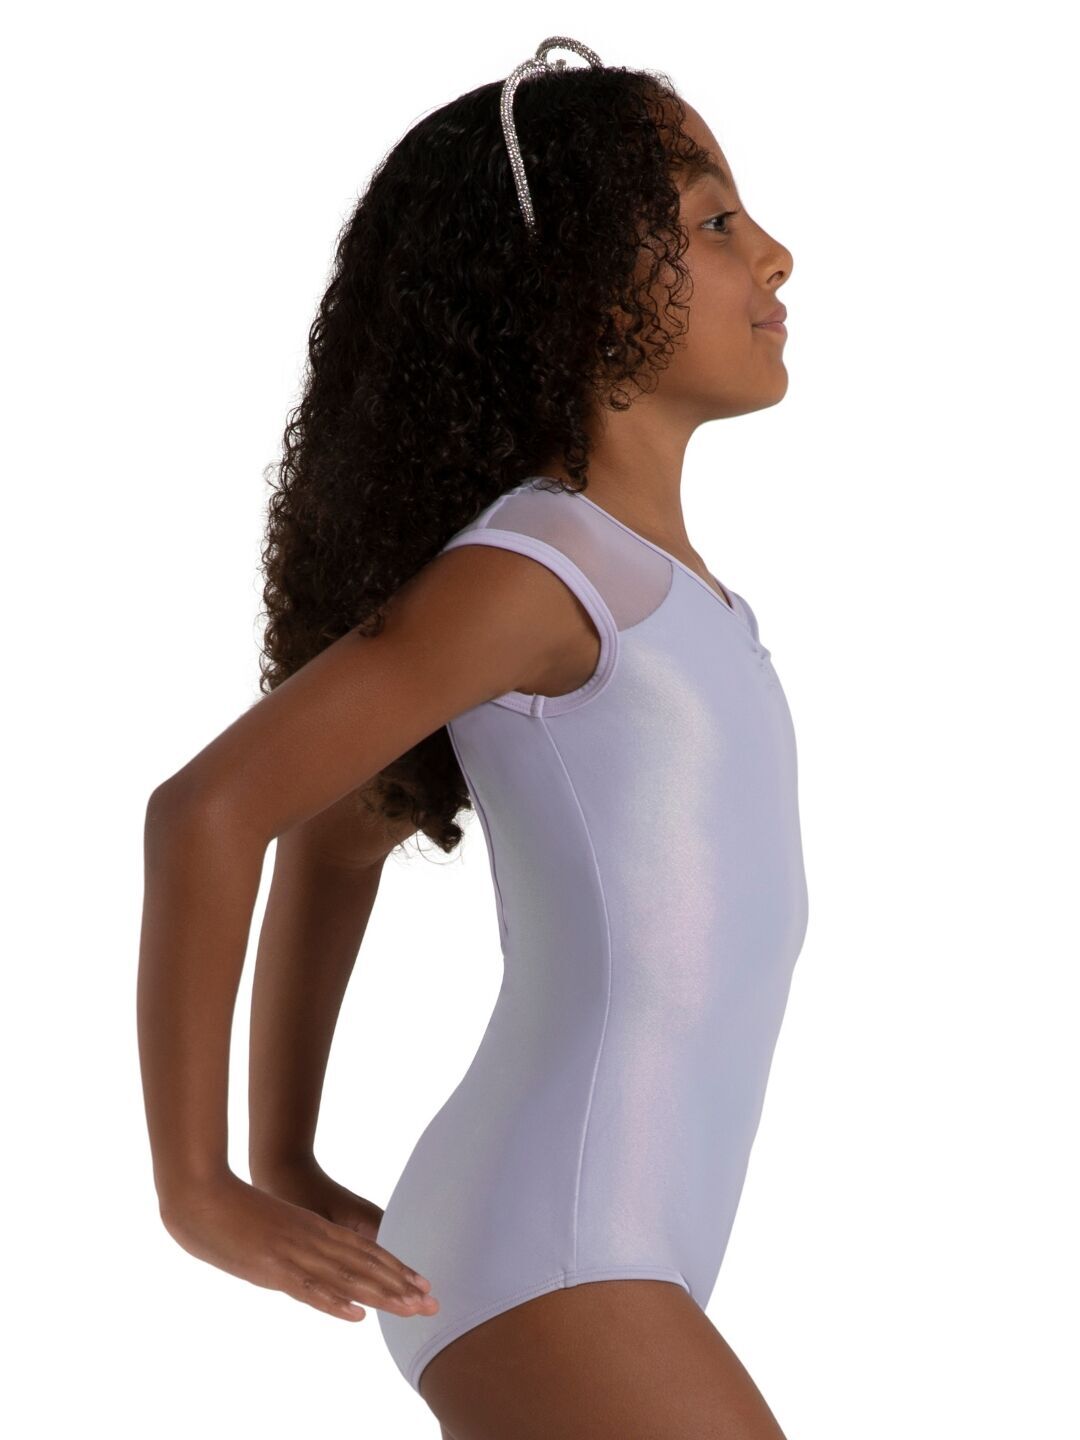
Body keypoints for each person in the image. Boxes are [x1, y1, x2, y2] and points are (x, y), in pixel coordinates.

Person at [138, 36, 805, 1440]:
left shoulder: (657, 591)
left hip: (607, 1244)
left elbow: (344, 828)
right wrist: (207, 1189)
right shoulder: (535, 571)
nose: (776, 255)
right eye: (715, 222)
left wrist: (289, 1151)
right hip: (555, 1246)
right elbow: (209, 811)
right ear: (583, 291)